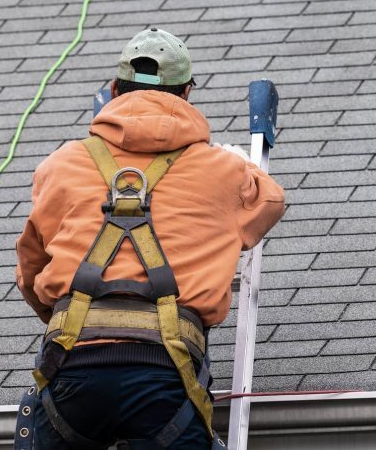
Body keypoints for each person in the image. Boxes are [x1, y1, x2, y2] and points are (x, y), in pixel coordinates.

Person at [14, 28, 286, 449]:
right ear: (187, 93)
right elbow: (269, 201)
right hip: (165, 372)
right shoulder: (220, 171)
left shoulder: (61, 165)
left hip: (72, 365)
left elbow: (31, 270)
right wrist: (236, 166)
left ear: (113, 91)